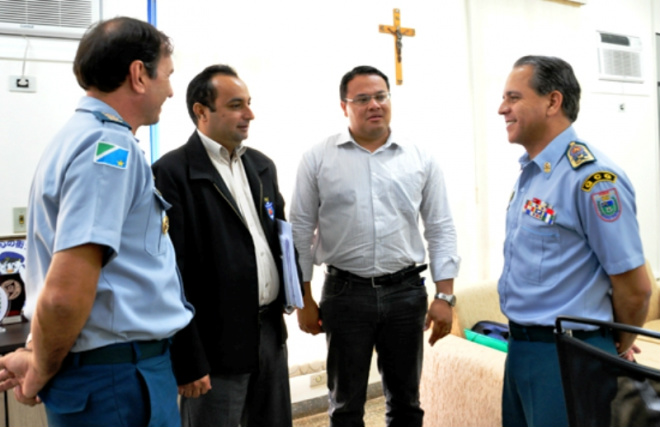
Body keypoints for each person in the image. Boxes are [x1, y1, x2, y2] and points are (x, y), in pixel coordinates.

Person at [0, 16, 193, 427]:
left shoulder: (76, 137)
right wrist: (38, 374)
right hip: (119, 380)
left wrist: (36, 353)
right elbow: (65, 294)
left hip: (107, 373)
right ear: (139, 75)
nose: (172, 91)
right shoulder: (109, 149)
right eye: (168, 76)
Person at [290, 65, 460, 427]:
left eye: (380, 96)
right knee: (346, 406)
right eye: (362, 98)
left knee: (406, 404)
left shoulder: (420, 158)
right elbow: (300, 231)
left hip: (406, 294)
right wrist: (303, 298)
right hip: (344, 294)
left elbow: (441, 227)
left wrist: (445, 295)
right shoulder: (318, 158)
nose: (374, 105)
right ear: (344, 106)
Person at [497, 55, 652, 427]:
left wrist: (604, 343)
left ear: (553, 101)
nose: (502, 108)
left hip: (567, 355)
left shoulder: (594, 179)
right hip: (520, 348)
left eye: (514, 97)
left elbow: (635, 289)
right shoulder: (532, 174)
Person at [152, 64, 297, 427]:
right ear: (201, 111)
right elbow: (172, 274)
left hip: (269, 332)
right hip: (214, 343)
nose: (249, 114)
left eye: (248, 103)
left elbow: (277, 238)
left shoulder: (262, 166)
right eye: (236, 105)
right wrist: (187, 358)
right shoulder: (172, 173)